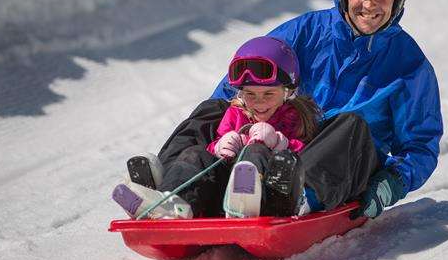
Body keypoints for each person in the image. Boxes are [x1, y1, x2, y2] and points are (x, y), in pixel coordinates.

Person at [116, 0, 442, 221]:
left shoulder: (409, 64)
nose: (369, 5)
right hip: (279, 140)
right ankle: (173, 186)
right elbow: (249, 73)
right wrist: (234, 120)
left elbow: (420, 144)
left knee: (352, 125)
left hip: (342, 161)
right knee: (214, 107)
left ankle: (294, 198)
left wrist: (393, 183)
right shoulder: (306, 32)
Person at [112, 36, 321, 219]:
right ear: (240, 93)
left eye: (268, 94)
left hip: (266, 195)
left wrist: (277, 142)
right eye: (250, 94)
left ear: (288, 92)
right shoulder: (235, 113)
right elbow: (215, 152)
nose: (259, 102)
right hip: (222, 193)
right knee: (196, 154)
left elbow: (305, 156)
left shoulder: (295, 117)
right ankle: (170, 202)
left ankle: (245, 203)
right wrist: (219, 146)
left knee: (256, 150)